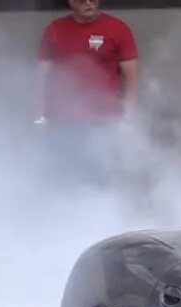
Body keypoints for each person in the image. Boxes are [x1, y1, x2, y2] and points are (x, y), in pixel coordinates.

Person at [34, 0, 138, 183]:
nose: (90, 3)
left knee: (103, 180)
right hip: (63, 123)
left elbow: (130, 80)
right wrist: (39, 116)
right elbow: (41, 77)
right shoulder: (55, 30)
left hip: (104, 123)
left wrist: (127, 118)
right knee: (61, 180)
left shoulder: (118, 29)